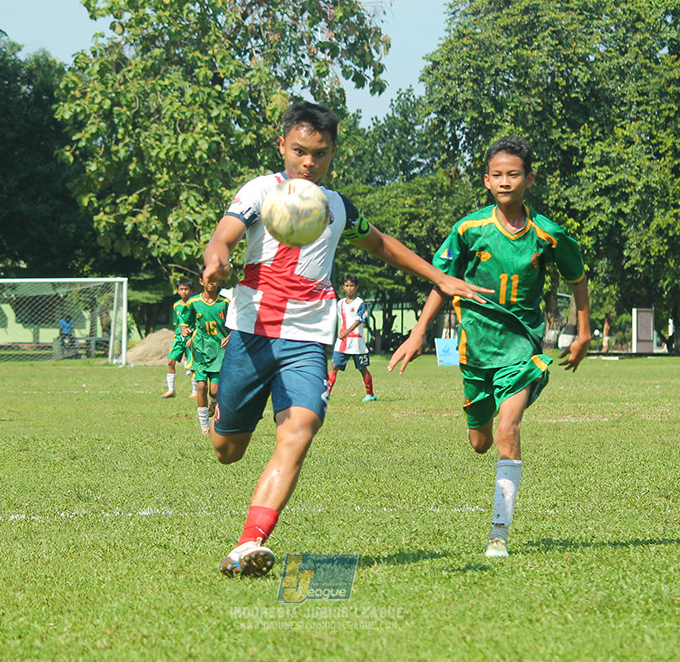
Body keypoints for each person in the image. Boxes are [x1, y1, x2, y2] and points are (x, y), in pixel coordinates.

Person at [202, 101, 487, 578]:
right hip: (251, 335)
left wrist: (441, 278)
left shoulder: (335, 206)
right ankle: (221, 413)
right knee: (227, 450)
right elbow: (223, 235)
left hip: (309, 339)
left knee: (300, 431)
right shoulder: (261, 191)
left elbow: (381, 244)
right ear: (282, 146)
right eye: (298, 151)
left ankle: (249, 543)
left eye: (319, 154)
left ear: (333, 153)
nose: (308, 163)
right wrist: (217, 258)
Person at [388, 136, 591, 559]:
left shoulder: (548, 234)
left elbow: (577, 277)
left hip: (523, 348)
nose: (505, 181)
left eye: (513, 174)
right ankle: (483, 418)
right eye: (497, 175)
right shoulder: (469, 230)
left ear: (529, 179)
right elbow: (441, 282)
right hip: (477, 350)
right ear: (485, 180)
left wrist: (583, 329)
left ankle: (498, 533)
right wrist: (418, 331)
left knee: (507, 429)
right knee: (480, 440)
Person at [180, 273, 231, 434]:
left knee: (214, 391)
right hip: (200, 350)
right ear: (201, 281)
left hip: (219, 351)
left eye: (215, 280)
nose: (212, 283)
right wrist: (185, 330)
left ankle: (212, 404)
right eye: (209, 279)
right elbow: (184, 321)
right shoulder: (194, 302)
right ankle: (204, 426)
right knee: (201, 386)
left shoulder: (225, 303)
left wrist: (229, 336)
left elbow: (235, 325)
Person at [328, 274, 375, 401]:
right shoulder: (340, 304)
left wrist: (347, 331)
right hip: (342, 342)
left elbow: (360, 319)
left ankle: (370, 394)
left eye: (352, 286)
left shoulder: (360, 303)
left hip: (357, 342)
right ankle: (326, 394)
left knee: (363, 369)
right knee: (334, 367)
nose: (349, 289)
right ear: (343, 287)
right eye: (347, 286)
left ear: (356, 287)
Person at [162, 278, 196, 399]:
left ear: (191, 290)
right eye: (181, 289)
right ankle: (171, 390)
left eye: (186, 289)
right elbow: (177, 324)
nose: (184, 292)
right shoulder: (176, 305)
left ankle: (195, 391)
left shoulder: (194, 303)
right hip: (178, 337)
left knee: (193, 365)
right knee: (170, 361)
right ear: (177, 291)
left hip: (192, 337)